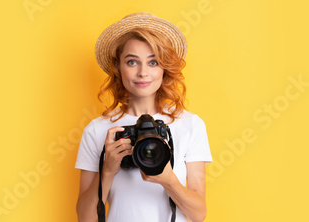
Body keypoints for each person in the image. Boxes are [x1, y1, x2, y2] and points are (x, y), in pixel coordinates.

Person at [75, 12, 213, 222]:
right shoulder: (98, 130)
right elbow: (85, 218)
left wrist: (168, 181)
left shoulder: (190, 125)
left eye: (153, 62)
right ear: (118, 68)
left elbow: (198, 214)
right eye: (132, 62)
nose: (143, 73)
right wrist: (108, 171)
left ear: (164, 69)